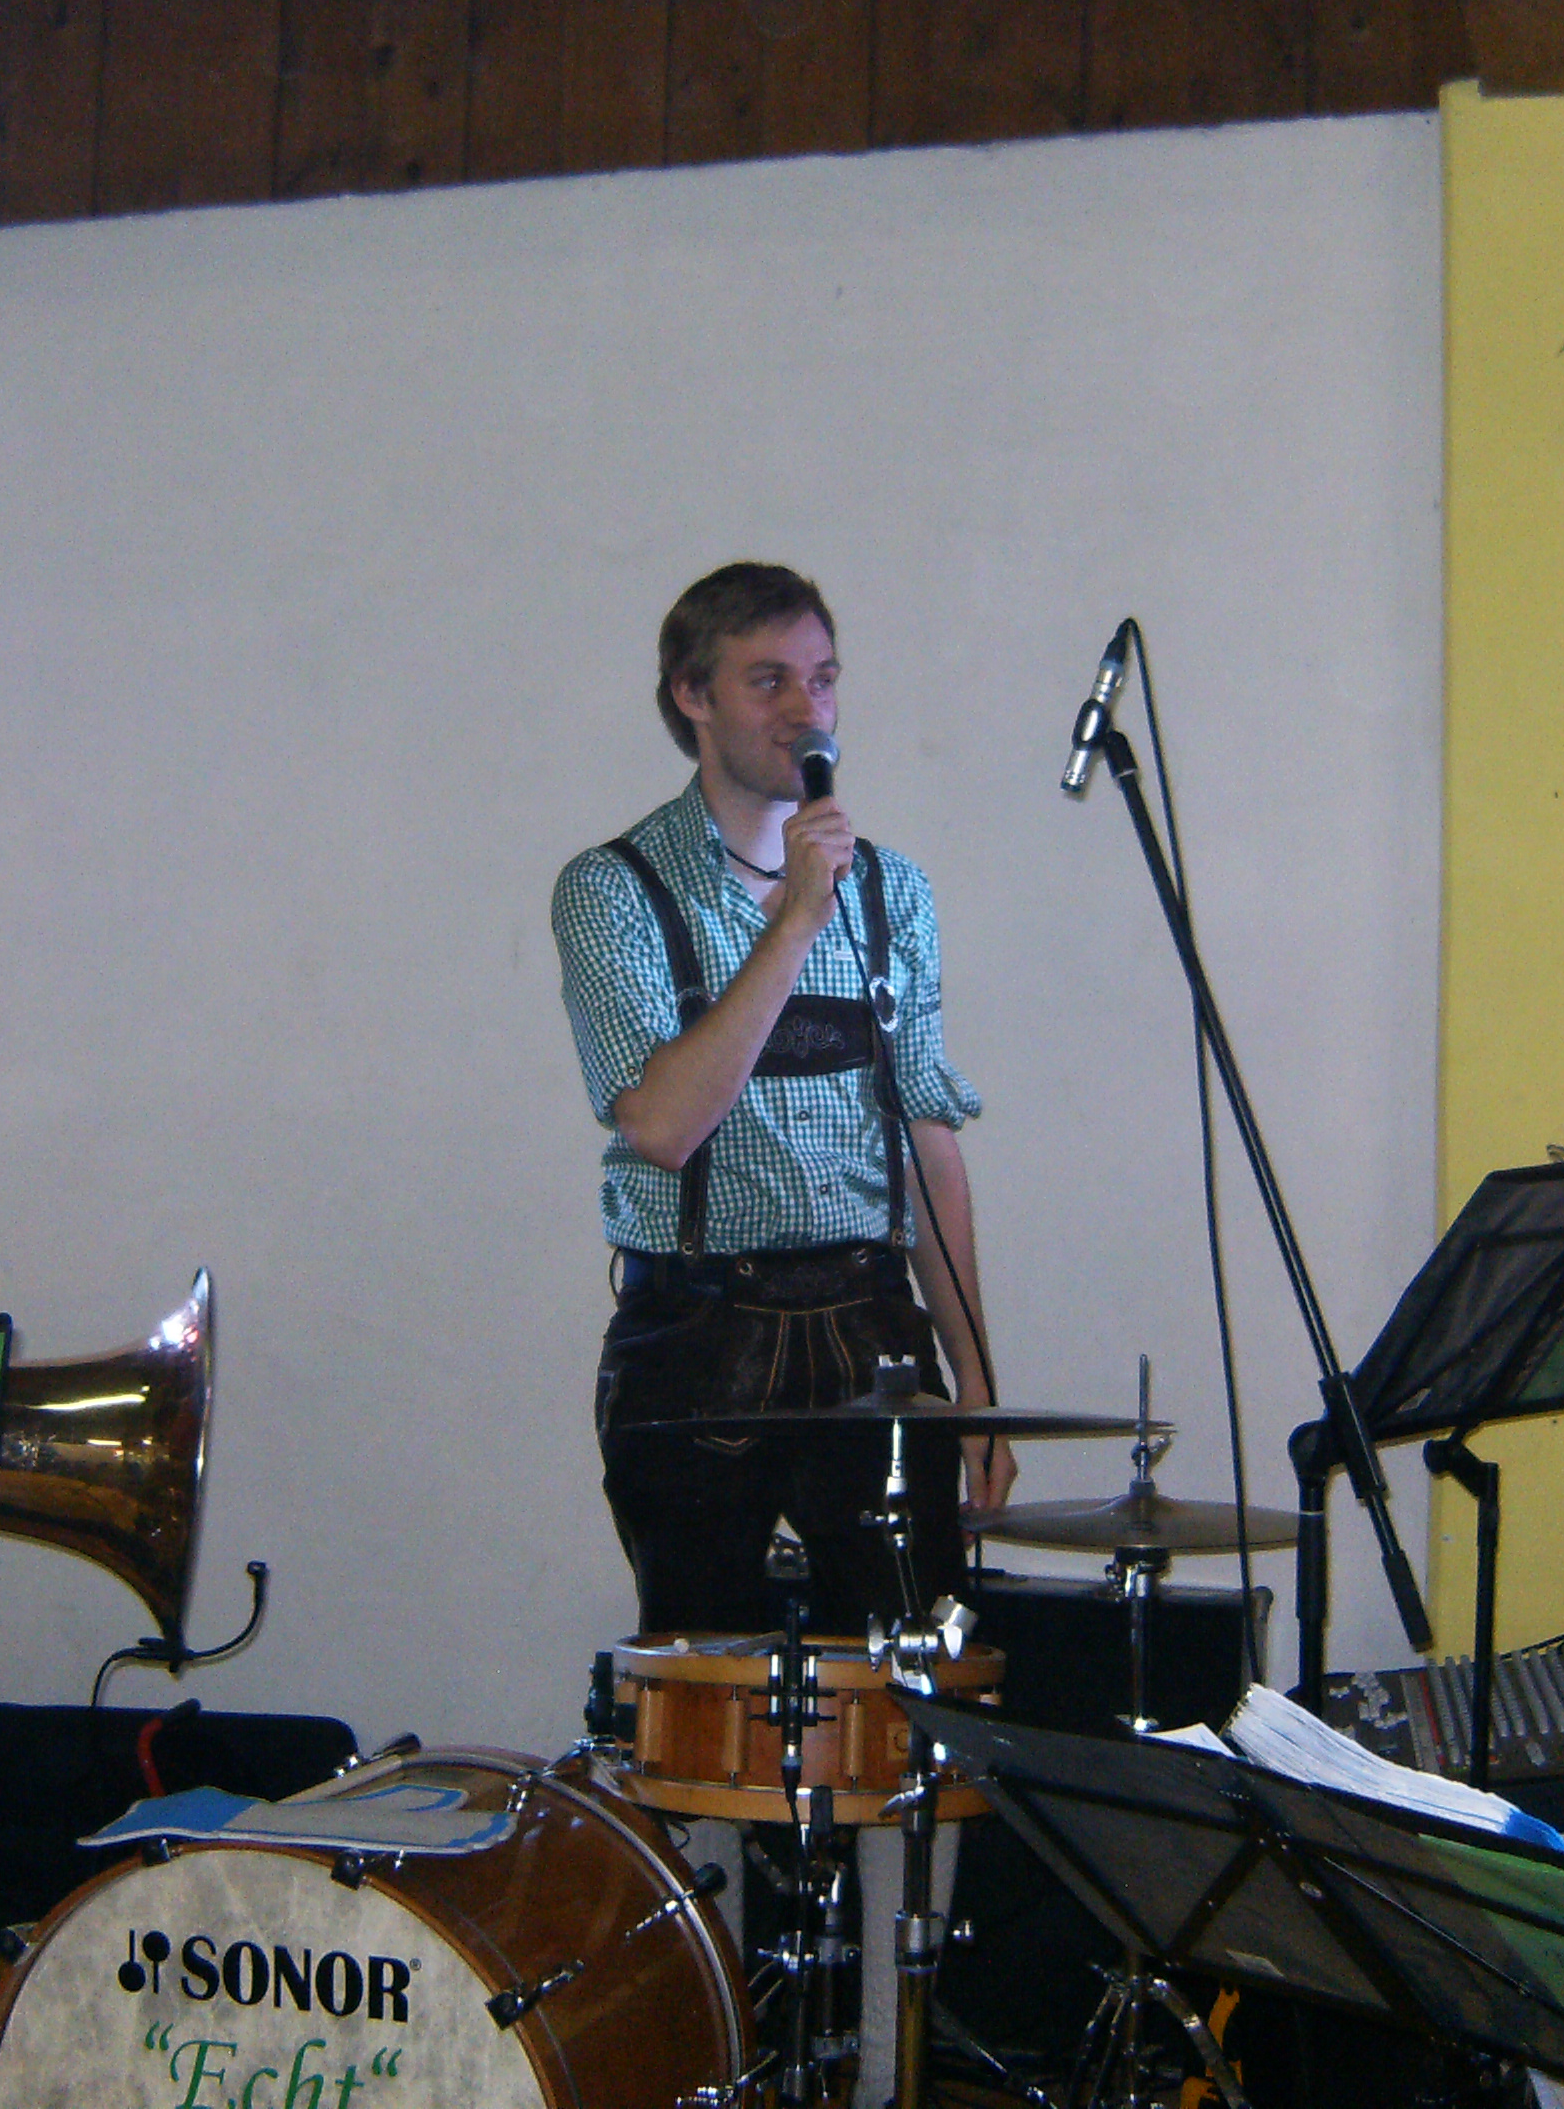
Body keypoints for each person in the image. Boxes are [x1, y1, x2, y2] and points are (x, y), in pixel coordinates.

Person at [551, 562, 1007, 2105]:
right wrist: (793, 920)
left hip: (873, 1328)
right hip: (701, 1341)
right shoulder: (614, 890)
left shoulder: (897, 891)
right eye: (768, 679)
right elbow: (663, 1123)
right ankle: (723, 2059)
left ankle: (887, 2068)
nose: (807, 709)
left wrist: (978, 1383)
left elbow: (929, 1140)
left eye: (822, 676)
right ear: (692, 697)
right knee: (711, 1728)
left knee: (909, 1717)